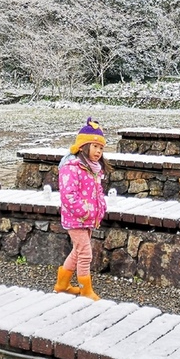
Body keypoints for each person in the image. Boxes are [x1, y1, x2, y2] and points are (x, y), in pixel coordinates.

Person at [54, 118, 109, 301]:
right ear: (83, 146)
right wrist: (84, 211)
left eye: (101, 148)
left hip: (88, 218)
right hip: (76, 218)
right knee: (85, 253)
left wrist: (100, 210)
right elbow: (68, 195)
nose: (99, 152)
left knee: (78, 251)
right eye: (95, 147)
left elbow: (98, 192)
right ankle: (86, 289)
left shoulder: (94, 169)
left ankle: (62, 285)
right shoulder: (72, 167)